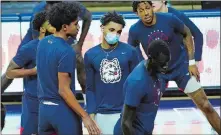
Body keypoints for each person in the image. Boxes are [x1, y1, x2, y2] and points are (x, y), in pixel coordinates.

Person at [126, 1, 221, 134]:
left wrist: (192, 62)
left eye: (147, 8)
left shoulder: (170, 18)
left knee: (205, 105)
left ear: (152, 8)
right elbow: (133, 52)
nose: (146, 13)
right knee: (146, 115)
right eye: (141, 10)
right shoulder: (135, 30)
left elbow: (187, 33)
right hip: (158, 74)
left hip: (181, 68)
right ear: (136, 13)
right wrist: (146, 72)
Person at [36, 2, 100, 135]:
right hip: (62, 112)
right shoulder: (67, 51)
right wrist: (85, 116)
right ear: (65, 27)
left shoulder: (42, 44)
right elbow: (64, 90)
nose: (78, 27)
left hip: (43, 112)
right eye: (76, 24)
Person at [84, 11, 139, 134]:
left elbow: (137, 85)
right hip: (101, 115)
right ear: (102, 28)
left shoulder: (131, 52)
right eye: (112, 29)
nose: (115, 34)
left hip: (125, 113)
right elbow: (90, 88)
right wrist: (91, 115)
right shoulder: (90, 55)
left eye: (119, 32)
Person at [1, 11, 55, 135]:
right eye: (51, 24)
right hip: (33, 107)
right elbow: (10, 72)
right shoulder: (29, 48)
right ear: (42, 29)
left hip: (54, 106)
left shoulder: (60, 46)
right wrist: (33, 71)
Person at [114, 40, 171, 135]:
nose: (165, 67)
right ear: (151, 59)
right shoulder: (137, 82)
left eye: (167, 62)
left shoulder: (157, 71)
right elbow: (126, 123)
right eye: (162, 64)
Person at [151, 1, 203, 65]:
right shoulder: (149, 18)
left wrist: (196, 59)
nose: (151, 2)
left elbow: (198, 34)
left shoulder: (178, 15)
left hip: (181, 64)